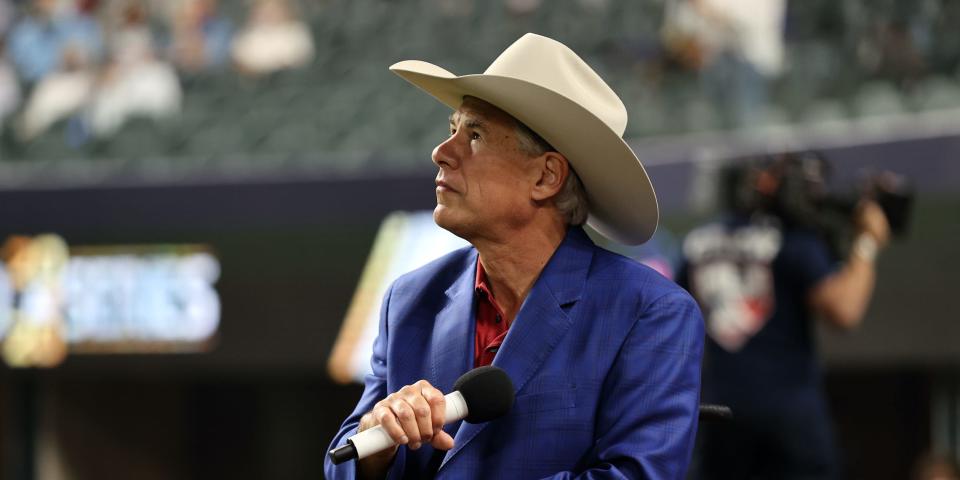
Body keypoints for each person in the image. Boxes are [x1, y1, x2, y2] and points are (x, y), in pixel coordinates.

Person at [324, 33, 704, 479]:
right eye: (452, 131)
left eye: (476, 135)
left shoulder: (649, 312)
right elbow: (343, 464)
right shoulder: (409, 301)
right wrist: (378, 439)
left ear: (546, 177)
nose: (442, 153)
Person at [678, 154, 891, 479]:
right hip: (790, 415)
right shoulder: (792, 240)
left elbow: (674, 319)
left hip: (720, 413)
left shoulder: (697, 243)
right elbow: (845, 311)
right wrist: (867, 242)